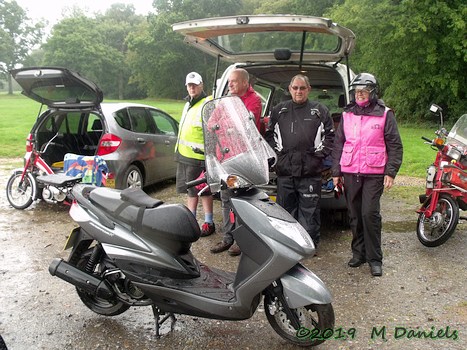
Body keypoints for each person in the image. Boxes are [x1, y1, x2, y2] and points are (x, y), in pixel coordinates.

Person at [331, 73, 403, 277]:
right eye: (356, 91)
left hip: (374, 172)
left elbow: (395, 145)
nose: (359, 94)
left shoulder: (385, 114)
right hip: (351, 170)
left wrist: (391, 172)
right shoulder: (347, 114)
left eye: (364, 91)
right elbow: (339, 144)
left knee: (369, 213)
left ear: (372, 92)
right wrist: (336, 172)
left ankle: (375, 258)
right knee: (354, 214)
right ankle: (359, 253)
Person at [264, 74, 334, 249]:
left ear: (308, 90)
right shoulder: (279, 110)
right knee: (285, 211)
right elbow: (269, 136)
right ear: (290, 89)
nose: (298, 91)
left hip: (310, 173)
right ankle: (289, 246)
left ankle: (309, 246)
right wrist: (278, 156)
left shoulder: (320, 110)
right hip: (285, 172)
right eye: (295, 88)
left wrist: (317, 156)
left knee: (309, 213)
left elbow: (330, 137)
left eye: (302, 88)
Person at [210, 68, 262, 256]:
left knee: (240, 199)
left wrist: (223, 125)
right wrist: (226, 126)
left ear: (245, 83)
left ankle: (242, 239)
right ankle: (227, 237)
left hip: (241, 159)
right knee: (226, 199)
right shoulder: (225, 101)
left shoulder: (254, 100)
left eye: (233, 81)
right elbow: (210, 123)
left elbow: (244, 125)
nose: (229, 84)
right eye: (229, 81)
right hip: (225, 157)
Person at [175, 72, 215, 237]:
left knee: (203, 191)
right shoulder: (188, 104)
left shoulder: (207, 103)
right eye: (189, 85)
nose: (192, 88)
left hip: (198, 157)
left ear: (201, 85)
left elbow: (213, 130)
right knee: (189, 192)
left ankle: (209, 222)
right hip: (183, 155)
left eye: (195, 85)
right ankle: (191, 222)